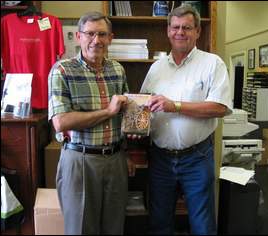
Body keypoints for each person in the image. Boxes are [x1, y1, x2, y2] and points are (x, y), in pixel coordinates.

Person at [140, 4, 233, 235]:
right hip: (160, 158)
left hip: (197, 158)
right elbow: (142, 106)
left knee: (203, 225)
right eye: (175, 27)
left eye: (187, 28)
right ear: (168, 31)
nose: (180, 32)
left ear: (198, 32)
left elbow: (220, 108)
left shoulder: (213, 64)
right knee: (159, 223)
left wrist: (176, 106)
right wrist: (137, 126)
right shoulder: (156, 68)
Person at [48, 12, 135, 235]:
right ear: (78, 36)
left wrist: (127, 148)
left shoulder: (117, 70)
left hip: (115, 160)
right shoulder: (62, 71)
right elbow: (61, 122)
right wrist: (108, 111)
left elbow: (123, 115)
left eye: (102, 34)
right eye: (90, 34)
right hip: (80, 161)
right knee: (81, 230)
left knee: (114, 228)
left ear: (111, 38)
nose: (96, 40)